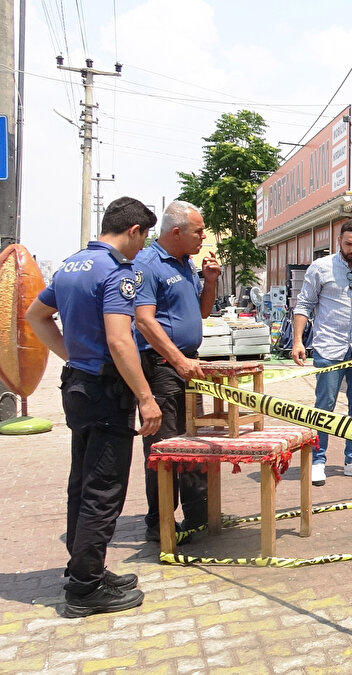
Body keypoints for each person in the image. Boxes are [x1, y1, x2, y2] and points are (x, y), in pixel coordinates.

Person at [25, 197, 163, 618]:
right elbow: (121, 341)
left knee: (81, 482)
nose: (142, 249)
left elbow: (36, 316)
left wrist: (74, 357)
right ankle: (85, 589)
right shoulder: (117, 272)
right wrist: (145, 397)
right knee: (104, 490)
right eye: (144, 239)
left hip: (79, 386)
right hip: (106, 392)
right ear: (134, 230)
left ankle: (84, 566)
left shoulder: (71, 265)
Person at [132, 201, 220, 543]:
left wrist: (210, 282)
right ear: (176, 232)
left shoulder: (185, 264)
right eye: (198, 231)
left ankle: (198, 514)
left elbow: (201, 313)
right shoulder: (148, 264)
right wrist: (178, 361)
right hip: (164, 369)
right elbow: (144, 320)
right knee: (165, 447)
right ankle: (160, 523)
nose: (203, 238)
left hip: (188, 366)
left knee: (195, 441)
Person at [292, 221, 352, 486]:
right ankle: (317, 460)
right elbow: (304, 305)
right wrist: (297, 341)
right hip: (329, 348)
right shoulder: (321, 268)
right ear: (339, 241)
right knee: (325, 406)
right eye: (348, 244)